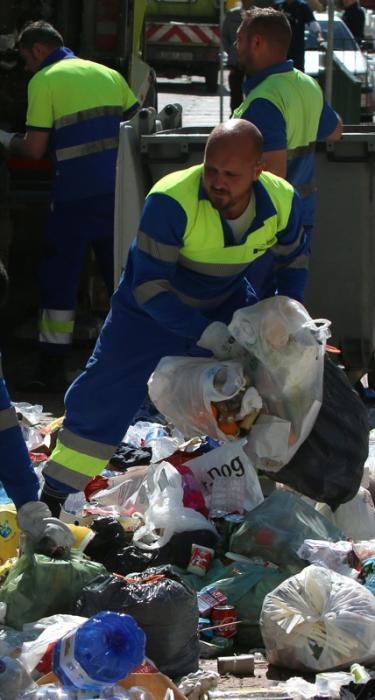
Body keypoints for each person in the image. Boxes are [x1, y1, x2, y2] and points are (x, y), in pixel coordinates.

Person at [39, 119, 309, 515]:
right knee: (104, 396)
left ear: (258, 172)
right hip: (148, 312)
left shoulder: (282, 201)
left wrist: (282, 319)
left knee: (264, 390)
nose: (217, 182)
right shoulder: (172, 200)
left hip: (225, 298)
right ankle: (53, 497)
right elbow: (150, 287)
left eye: (231, 175)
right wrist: (208, 335)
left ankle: (257, 488)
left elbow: (294, 263)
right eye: (211, 169)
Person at [0, 21, 139, 391]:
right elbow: (136, 121)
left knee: (59, 280)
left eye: (26, 58)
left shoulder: (44, 81)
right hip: (117, 195)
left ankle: (50, 370)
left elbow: (34, 149)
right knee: (121, 279)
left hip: (74, 199)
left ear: (40, 50)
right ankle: (130, 364)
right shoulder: (107, 73)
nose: (26, 66)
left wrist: (3, 137)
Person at [233, 7, 342, 298]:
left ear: (256, 42)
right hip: (301, 220)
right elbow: (336, 130)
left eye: (239, 38)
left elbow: (273, 176)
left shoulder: (264, 101)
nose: (235, 46)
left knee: (258, 317)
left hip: (268, 229)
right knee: (286, 316)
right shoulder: (305, 85)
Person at [222, 0, 254, 114]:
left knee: (253, 93)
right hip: (236, 61)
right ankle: (235, 116)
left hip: (252, 63)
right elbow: (224, 35)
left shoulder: (257, 16)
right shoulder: (232, 15)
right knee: (235, 93)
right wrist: (230, 50)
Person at [276, 0, 324, 71]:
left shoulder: (302, 6)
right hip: (281, 47)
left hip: (297, 47)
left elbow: (312, 23)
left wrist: (319, 36)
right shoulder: (279, 6)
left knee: (297, 70)